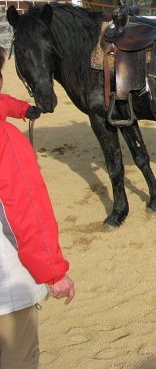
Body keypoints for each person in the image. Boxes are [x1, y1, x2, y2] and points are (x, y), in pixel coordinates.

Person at [0, 47, 75, 368]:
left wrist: (20, 109)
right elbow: (28, 210)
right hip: (6, 290)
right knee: (19, 357)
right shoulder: (6, 142)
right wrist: (54, 273)